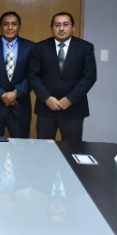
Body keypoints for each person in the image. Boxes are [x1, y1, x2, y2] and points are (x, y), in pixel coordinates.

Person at [0, 11, 34, 195]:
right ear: (0, 26)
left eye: (14, 24)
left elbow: (33, 76)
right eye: (6, 24)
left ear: (19, 26)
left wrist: (16, 93)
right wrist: (2, 94)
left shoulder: (31, 47)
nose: (10, 27)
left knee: (20, 144)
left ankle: (20, 181)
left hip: (20, 104)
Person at [28, 12, 97, 141]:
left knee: (72, 148)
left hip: (74, 109)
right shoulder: (40, 47)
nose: (61, 28)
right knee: (43, 148)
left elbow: (90, 76)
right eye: (57, 25)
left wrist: (70, 99)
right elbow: (33, 76)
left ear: (73, 27)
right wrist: (47, 98)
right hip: (46, 108)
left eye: (65, 24)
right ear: (51, 28)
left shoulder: (85, 47)